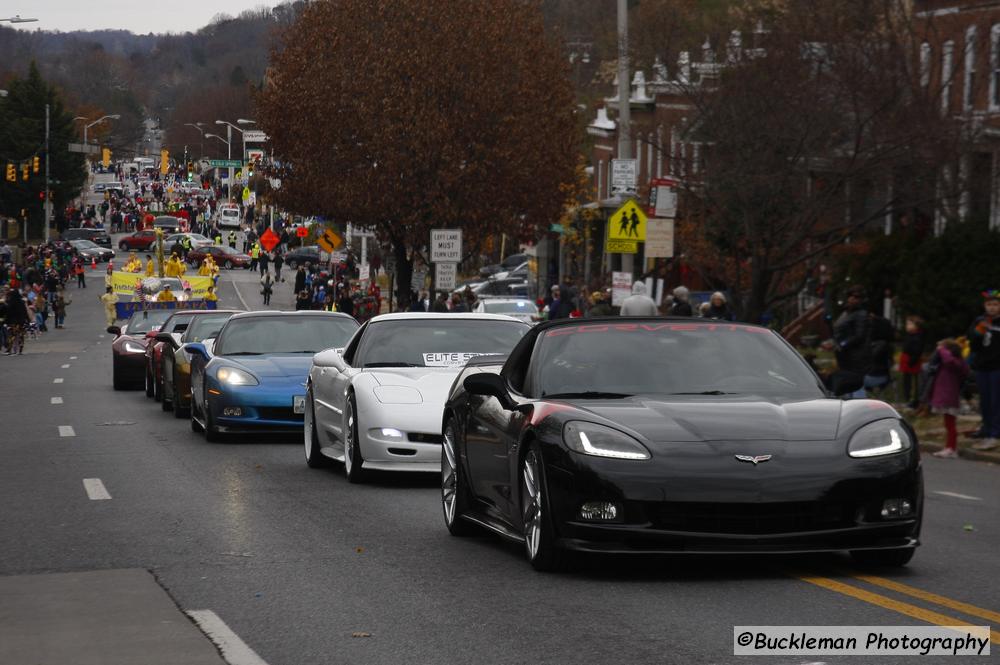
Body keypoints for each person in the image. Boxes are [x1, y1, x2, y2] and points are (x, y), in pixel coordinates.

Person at [968, 290, 1000, 450]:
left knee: (996, 401)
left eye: (995, 304)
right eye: (989, 304)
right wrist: (979, 332)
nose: (992, 308)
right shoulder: (980, 321)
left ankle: (995, 434)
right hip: (982, 367)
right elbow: (973, 344)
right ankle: (986, 430)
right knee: (985, 401)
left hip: (997, 367)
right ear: (984, 306)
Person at [930, 339, 971, 459]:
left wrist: (941, 349)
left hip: (949, 396)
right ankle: (949, 447)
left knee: (950, 424)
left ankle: (951, 448)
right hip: (947, 396)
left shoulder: (954, 363)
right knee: (948, 424)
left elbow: (949, 361)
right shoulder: (952, 363)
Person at [832, 286, 871, 398]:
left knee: (856, 382)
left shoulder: (861, 314)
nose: (851, 299)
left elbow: (859, 336)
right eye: (850, 296)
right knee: (847, 381)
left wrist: (843, 344)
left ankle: (860, 406)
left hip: (856, 356)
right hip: (845, 356)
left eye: (856, 297)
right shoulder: (846, 313)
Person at [899, 316, 926, 409]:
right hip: (907, 361)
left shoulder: (918, 336)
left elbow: (917, 350)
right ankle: (908, 399)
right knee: (906, 381)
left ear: (916, 326)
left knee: (913, 382)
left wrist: (912, 361)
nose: (907, 326)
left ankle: (914, 400)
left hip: (912, 363)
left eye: (909, 324)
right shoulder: (910, 335)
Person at [4, 288, 30, 354]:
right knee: (21, 335)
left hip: (12, 322)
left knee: (12, 335)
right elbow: (25, 312)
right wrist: (28, 319)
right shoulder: (21, 302)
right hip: (21, 322)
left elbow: (8, 312)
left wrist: (6, 321)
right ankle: (20, 349)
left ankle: (10, 350)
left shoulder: (10, 302)